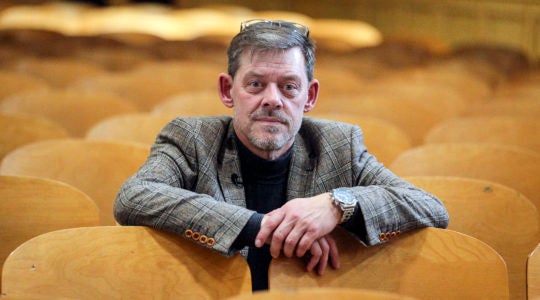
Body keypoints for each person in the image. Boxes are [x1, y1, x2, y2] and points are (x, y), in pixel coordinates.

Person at [114, 19, 449, 291]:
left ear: (310, 95)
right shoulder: (192, 139)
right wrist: (263, 227)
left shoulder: (338, 144)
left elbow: (431, 209)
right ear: (227, 90)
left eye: (289, 86)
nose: (272, 100)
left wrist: (337, 204)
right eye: (256, 84)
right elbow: (134, 197)